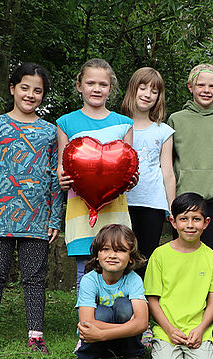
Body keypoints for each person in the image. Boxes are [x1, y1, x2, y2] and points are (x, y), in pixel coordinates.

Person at [0, 63, 62, 353]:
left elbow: (56, 176)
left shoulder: (51, 132)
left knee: (34, 277)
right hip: (0, 216)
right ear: (13, 88)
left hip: (37, 217)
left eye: (37, 90)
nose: (30, 95)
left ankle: (36, 335)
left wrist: (54, 217)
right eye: (25, 88)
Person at [56, 58, 134, 290]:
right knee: (85, 268)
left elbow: (129, 166)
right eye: (91, 83)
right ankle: (85, 324)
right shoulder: (66, 122)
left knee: (117, 263)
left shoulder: (124, 124)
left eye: (103, 84)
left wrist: (132, 179)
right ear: (80, 85)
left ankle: (115, 321)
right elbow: (63, 165)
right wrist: (62, 179)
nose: (97, 89)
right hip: (80, 210)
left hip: (115, 210)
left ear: (111, 88)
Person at [144, 193, 213, 359]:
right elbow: (152, 299)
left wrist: (201, 329)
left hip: (199, 331)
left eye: (196, 219)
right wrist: (169, 329)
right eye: (184, 219)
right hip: (167, 330)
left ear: (206, 223)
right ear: (173, 222)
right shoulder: (159, 255)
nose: (190, 225)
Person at [167, 63, 213, 256]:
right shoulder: (176, 120)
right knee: (183, 254)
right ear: (191, 87)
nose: (206, 90)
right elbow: (169, 167)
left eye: (212, 87)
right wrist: (170, 202)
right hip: (183, 200)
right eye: (201, 85)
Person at [71, 225, 149, 359]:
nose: (112, 255)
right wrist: (131, 325)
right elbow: (86, 323)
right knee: (101, 312)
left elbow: (142, 322)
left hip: (113, 338)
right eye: (106, 249)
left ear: (131, 257)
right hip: (94, 339)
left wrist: (102, 334)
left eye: (120, 250)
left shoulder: (134, 280)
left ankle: (133, 356)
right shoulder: (89, 280)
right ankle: (86, 358)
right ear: (97, 255)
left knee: (124, 305)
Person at [121, 67, 176, 264]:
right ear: (133, 89)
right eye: (143, 88)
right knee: (121, 253)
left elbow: (168, 172)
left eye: (154, 91)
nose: (147, 95)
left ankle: (144, 295)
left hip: (153, 202)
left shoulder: (164, 131)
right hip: (122, 201)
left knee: (146, 257)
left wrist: (172, 207)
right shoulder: (118, 125)